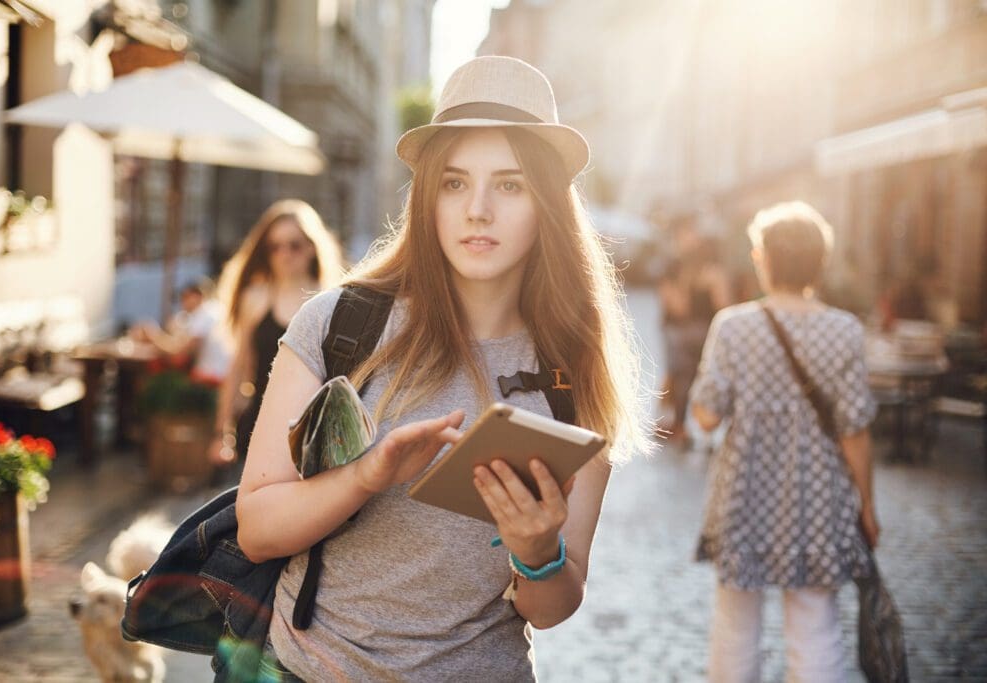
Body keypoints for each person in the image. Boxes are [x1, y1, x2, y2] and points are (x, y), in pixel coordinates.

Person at [234, 56, 650, 680]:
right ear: (428, 196)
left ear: (547, 204)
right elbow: (256, 530)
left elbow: (554, 605)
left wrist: (538, 553)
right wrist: (365, 476)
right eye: (454, 182)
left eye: (509, 184)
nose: (477, 209)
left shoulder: (573, 365)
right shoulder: (338, 324)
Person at [690, 201, 879, 682]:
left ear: (763, 259)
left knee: (735, 626)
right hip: (819, 496)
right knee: (816, 628)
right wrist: (868, 507)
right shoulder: (846, 330)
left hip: (745, 492)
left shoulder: (733, 326)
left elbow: (706, 418)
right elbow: (854, 430)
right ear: (821, 262)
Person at [209, 199, 343, 468]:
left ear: (312, 247)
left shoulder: (333, 301)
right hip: (260, 425)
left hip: (313, 434)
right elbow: (237, 368)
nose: (285, 254)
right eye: (275, 247)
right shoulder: (256, 298)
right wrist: (221, 432)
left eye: (294, 245)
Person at [658, 223, 731, 445]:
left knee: (679, 378)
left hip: (680, 332)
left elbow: (676, 306)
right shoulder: (713, 269)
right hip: (705, 331)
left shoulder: (674, 268)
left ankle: (679, 425)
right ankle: (702, 427)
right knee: (702, 377)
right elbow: (723, 303)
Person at [129, 278, 225, 375]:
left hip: (212, 375)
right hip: (218, 373)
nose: (182, 303)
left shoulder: (204, 314)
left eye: (185, 297)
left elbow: (181, 352)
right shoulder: (212, 310)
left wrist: (153, 336)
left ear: (198, 296)